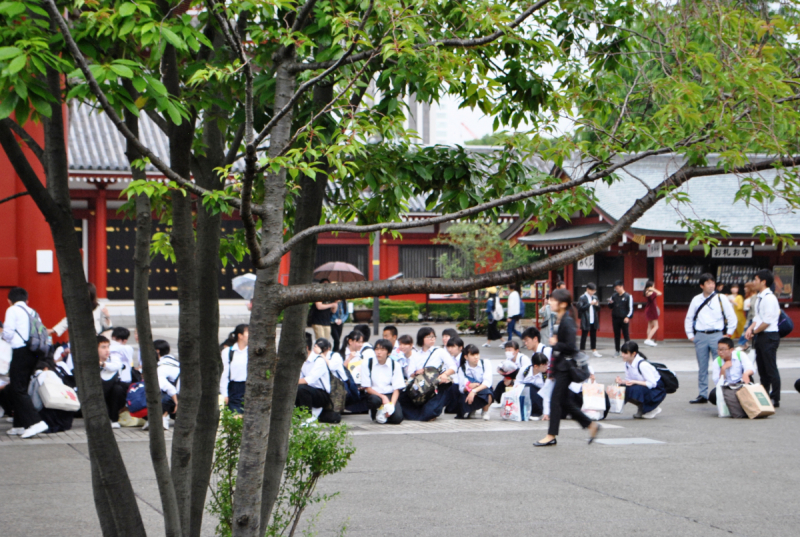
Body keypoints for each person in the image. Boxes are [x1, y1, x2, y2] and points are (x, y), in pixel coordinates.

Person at [534, 289, 599, 447]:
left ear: (563, 304)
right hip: (561, 366)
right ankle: (591, 425)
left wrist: (556, 343)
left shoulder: (567, 320)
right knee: (563, 401)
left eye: (553, 300)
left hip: (566, 367)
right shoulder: (560, 318)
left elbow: (571, 346)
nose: (550, 302)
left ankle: (551, 435)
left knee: (555, 401)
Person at [3, 287, 49, 438]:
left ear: (9, 300)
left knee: (17, 388)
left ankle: (35, 422)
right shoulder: (33, 312)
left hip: (20, 352)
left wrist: (4, 336)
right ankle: (19, 425)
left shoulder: (12, 310)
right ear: (26, 299)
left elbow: (8, 333)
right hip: (33, 353)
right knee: (21, 387)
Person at [684, 273, 736, 404]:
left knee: (720, 363)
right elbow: (689, 317)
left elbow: (731, 316)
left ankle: (722, 391)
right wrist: (690, 335)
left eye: (713, 283)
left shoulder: (720, 298)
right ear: (702, 285)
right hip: (701, 335)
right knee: (702, 366)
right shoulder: (696, 299)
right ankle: (702, 394)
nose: (711, 285)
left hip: (717, 335)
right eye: (708, 283)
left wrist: (728, 334)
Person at [398, 327, 457, 421]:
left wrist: (444, 374)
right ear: (422, 338)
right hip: (420, 387)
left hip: (434, 387)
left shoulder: (439, 351)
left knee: (428, 413)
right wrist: (417, 372)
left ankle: (427, 413)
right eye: (429, 337)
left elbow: (453, 367)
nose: (432, 339)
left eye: (433, 337)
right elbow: (410, 373)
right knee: (401, 398)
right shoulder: (415, 355)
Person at [745, 269, 781, 407]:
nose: (754, 282)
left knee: (770, 368)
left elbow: (767, 321)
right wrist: (750, 328)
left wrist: (754, 331)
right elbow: (758, 317)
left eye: (756, 280)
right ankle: (765, 394)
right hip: (760, 335)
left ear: (763, 282)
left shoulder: (770, 298)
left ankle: (775, 397)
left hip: (769, 336)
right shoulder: (760, 296)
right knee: (762, 368)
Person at [615, 342, 666, 419]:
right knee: (623, 388)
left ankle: (652, 408)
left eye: (625, 353)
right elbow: (629, 380)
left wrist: (634, 382)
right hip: (645, 387)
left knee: (633, 389)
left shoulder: (643, 365)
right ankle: (643, 407)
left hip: (656, 390)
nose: (622, 355)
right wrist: (621, 381)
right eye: (622, 352)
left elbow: (652, 384)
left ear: (633, 354)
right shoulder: (627, 363)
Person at [360, 339, 405, 424]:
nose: (378, 352)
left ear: (388, 353)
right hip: (374, 394)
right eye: (377, 349)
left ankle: (383, 413)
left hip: (389, 394)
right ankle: (375, 411)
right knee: (374, 400)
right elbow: (367, 388)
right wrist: (383, 397)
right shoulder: (367, 363)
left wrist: (391, 405)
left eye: (382, 350)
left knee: (397, 419)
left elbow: (397, 388)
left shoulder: (395, 365)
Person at [708, 337, 755, 418]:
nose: (720, 352)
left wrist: (746, 374)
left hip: (741, 384)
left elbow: (751, 368)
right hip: (728, 388)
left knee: (750, 381)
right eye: (719, 349)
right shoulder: (717, 361)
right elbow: (718, 383)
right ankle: (731, 407)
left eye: (723, 349)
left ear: (731, 349)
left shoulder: (740, 355)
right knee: (713, 395)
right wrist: (723, 369)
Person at [296, 340, 341, 424]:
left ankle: (306, 418)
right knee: (297, 389)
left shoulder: (318, 360)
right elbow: (299, 378)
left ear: (306, 348)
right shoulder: (302, 361)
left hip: (322, 395)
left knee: (301, 389)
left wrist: (291, 383)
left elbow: (309, 379)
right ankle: (297, 415)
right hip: (309, 390)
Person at [520, 326, 554, 420]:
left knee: (528, 387)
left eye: (527, 340)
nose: (525, 343)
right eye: (524, 341)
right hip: (543, 388)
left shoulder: (547, 351)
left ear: (535, 339)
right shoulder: (534, 355)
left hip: (549, 388)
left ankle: (538, 412)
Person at [454, 344, 493, 420]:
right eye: (473, 355)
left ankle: (485, 411)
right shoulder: (462, 369)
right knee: (462, 399)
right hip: (469, 391)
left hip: (482, 388)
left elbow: (487, 382)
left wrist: (474, 391)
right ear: (466, 357)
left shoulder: (485, 363)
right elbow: (461, 389)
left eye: (477, 354)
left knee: (488, 393)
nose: (476, 357)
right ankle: (472, 409)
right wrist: (468, 387)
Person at [151, 339, 180, 431]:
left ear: (157, 351)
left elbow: (167, 387)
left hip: (176, 399)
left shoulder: (162, 366)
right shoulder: (175, 362)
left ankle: (163, 418)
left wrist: (176, 402)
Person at [98, 334, 126, 428]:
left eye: (108, 347)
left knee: (117, 389)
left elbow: (116, 366)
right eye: (103, 347)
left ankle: (114, 419)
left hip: (112, 393)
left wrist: (102, 364)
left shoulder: (113, 358)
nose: (107, 350)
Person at [219, 324, 249, 413]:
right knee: (236, 416)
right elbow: (225, 373)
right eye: (248, 332)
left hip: (249, 386)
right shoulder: (228, 352)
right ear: (240, 336)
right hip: (234, 388)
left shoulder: (252, 352)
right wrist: (224, 394)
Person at [492, 340, 529, 404]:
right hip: (510, 380)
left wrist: (513, 380)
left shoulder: (523, 359)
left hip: (522, 381)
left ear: (516, 350)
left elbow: (528, 374)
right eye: (506, 350)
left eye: (509, 350)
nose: (507, 352)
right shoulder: (508, 360)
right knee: (501, 385)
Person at [514, 352, 549, 418]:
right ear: (535, 366)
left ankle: (536, 412)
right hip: (525, 398)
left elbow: (547, 393)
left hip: (540, 399)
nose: (546, 367)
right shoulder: (524, 370)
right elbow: (517, 384)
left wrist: (546, 412)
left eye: (547, 364)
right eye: (543, 365)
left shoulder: (547, 375)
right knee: (527, 386)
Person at [608, 280, 633, 356]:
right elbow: (610, 307)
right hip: (615, 318)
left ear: (622, 287)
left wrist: (628, 317)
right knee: (616, 335)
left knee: (626, 335)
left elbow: (631, 309)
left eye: (618, 288)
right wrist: (610, 303)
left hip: (624, 318)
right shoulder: (614, 296)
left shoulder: (628, 296)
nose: (617, 290)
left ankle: (627, 350)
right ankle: (617, 350)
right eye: (616, 288)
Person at [577, 283, 602, 357]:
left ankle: (594, 350)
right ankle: (582, 350)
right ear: (587, 289)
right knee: (584, 335)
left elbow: (598, 309)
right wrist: (589, 304)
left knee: (593, 335)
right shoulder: (582, 297)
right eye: (591, 290)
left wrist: (597, 304)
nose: (593, 292)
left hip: (593, 318)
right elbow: (580, 308)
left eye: (594, 291)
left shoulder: (595, 297)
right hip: (585, 319)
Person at [643, 280, 662, 347]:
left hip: (649, 309)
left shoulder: (646, 292)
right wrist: (654, 289)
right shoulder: (651, 292)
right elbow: (660, 293)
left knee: (649, 326)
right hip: (652, 310)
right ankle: (648, 339)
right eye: (653, 285)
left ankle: (648, 339)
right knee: (656, 326)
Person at [738, 281, 758, 348]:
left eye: (746, 287)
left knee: (747, 331)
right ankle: (746, 344)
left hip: (752, 317)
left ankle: (742, 344)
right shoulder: (749, 296)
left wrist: (750, 305)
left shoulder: (755, 297)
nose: (745, 289)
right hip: (749, 316)